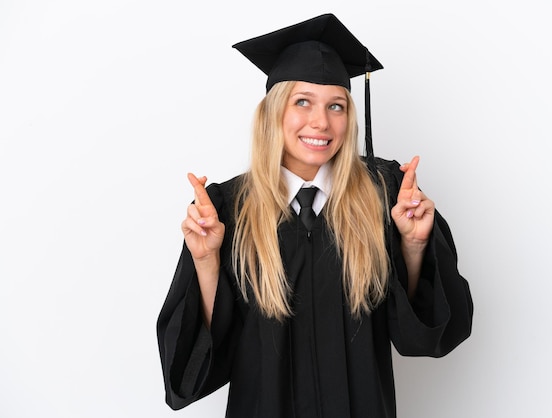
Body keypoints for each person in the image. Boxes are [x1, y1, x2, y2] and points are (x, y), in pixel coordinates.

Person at [157, 13, 473, 417]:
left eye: (336, 106)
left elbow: (425, 338)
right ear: (273, 112)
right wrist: (206, 262)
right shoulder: (226, 210)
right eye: (302, 101)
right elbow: (189, 374)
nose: (321, 122)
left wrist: (413, 245)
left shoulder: (386, 197)